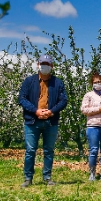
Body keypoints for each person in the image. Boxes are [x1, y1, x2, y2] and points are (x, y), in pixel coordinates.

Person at [18, 54, 68, 187]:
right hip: (32, 121)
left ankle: (47, 177)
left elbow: (63, 100)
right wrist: (36, 111)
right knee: (30, 150)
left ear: (52, 66)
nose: (44, 66)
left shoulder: (58, 82)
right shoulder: (29, 81)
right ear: (37, 64)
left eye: (47, 64)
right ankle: (28, 178)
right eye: (42, 63)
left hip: (51, 121)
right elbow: (22, 99)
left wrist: (51, 111)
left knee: (49, 150)